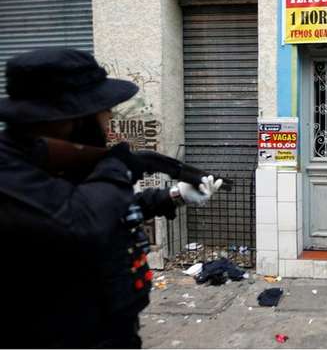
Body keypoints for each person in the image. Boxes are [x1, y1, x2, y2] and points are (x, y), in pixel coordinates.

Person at [0, 48, 223, 348]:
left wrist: (174, 195)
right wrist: (119, 166)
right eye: (103, 110)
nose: (110, 119)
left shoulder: (66, 164)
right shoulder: (10, 170)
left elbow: (107, 213)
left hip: (112, 329)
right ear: (73, 118)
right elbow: (79, 221)